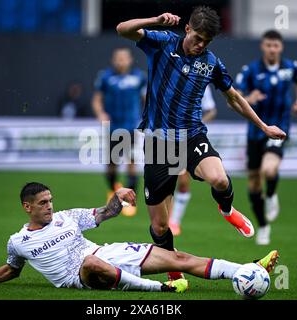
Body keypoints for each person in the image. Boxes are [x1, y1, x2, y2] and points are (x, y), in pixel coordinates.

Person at [116, 6, 286, 280]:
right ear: (187, 29)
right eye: (197, 38)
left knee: (219, 179)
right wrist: (155, 20)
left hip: (192, 136)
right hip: (159, 144)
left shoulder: (211, 63)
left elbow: (233, 98)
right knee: (159, 227)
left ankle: (227, 209)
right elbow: (123, 28)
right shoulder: (162, 42)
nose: (200, 45)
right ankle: (174, 272)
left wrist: (264, 126)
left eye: (207, 41)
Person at [0, 182, 279, 293]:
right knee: (92, 261)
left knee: (177, 256)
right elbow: (12, 269)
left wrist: (119, 197)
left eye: (51, 200)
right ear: (27, 207)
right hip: (79, 275)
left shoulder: (67, 217)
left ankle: (245, 271)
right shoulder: (17, 241)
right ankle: (160, 289)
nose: (51, 206)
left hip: (107, 253)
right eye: (43, 203)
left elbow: (104, 213)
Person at [235, 30, 297, 245]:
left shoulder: (291, 67)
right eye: (268, 45)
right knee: (254, 183)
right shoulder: (251, 71)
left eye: (276, 45)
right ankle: (263, 226)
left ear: (281, 47)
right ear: (263, 47)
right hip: (255, 131)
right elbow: (235, 96)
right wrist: (249, 97)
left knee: (269, 169)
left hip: (280, 128)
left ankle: (273, 194)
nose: (272, 49)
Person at [92, 47, 147, 217]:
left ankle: (130, 200)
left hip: (132, 126)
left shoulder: (139, 77)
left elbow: (147, 99)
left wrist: (149, 116)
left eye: (124, 58)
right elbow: (97, 99)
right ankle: (113, 189)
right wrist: (100, 112)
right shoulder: (106, 77)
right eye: (118, 58)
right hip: (113, 127)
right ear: (113, 60)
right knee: (111, 165)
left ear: (130, 60)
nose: (121, 61)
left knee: (131, 163)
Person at [169, 84, 217, 236]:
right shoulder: (169, 79)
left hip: (189, 137)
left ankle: (174, 221)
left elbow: (211, 110)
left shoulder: (201, 83)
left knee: (183, 181)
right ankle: (166, 221)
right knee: (167, 181)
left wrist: (198, 123)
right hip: (167, 135)